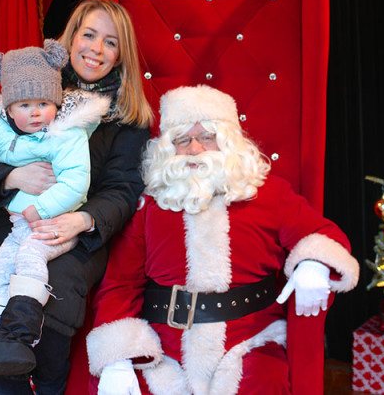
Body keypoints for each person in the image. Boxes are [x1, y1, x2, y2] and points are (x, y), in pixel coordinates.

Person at [86, 85, 360, 395]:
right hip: (165, 345)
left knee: (263, 381)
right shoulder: (148, 206)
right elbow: (121, 284)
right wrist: (117, 358)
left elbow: (322, 234)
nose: (194, 149)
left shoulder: (269, 193)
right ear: (167, 148)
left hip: (250, 340)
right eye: (182, 140)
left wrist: (313, 263)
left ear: (228, 141)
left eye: (206, 137)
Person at [0, 0, 154, 393]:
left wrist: (83, 220)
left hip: (72, 237)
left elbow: (122, 189)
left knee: (49, 334)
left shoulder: (128, 118)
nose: (96, 49)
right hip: (11, 227)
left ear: (121, 56)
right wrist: (12, 176)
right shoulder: (30, 85)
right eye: (88, 35)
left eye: (110, 42)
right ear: (70, 38)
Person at [0, 39, 110, 378]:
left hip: (56, 223)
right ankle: (2, 327)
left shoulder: (66, 136)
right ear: (8, 108)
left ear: (55, 102)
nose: (34, 111)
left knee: (28, 259)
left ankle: (24, 321)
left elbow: (76, 182)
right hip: (19, 224)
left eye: (42, 102)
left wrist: (42, 209)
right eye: (24, 104)